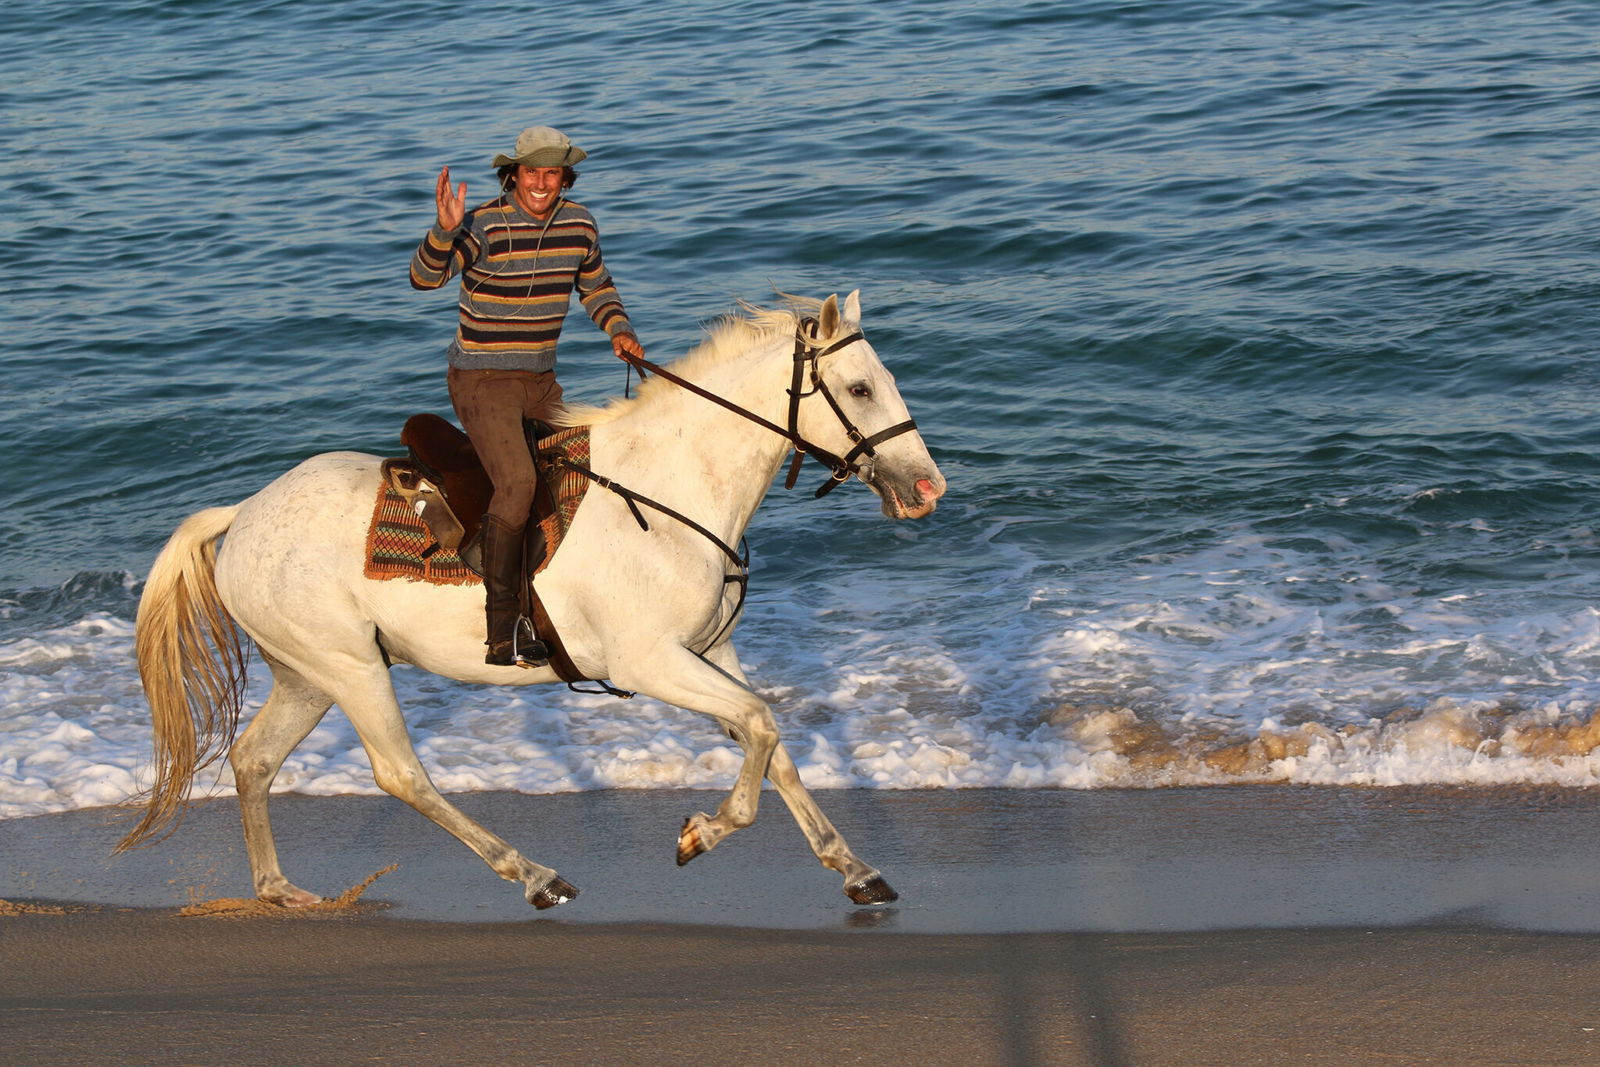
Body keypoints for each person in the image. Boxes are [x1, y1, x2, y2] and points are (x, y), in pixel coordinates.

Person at [409, 125, 645, 668]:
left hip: (541, 381)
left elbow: (597, 285)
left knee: (588, 472)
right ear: (513, 174)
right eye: (532, 171)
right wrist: (443, 231)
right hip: (481, 380)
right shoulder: (482, 225)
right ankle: (502, 628)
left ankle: (576, 597)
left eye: (553, 172)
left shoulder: (579, 223)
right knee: (516, 484)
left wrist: (619, 331)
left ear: (565, 178)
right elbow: (425, 279)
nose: (542, 182)